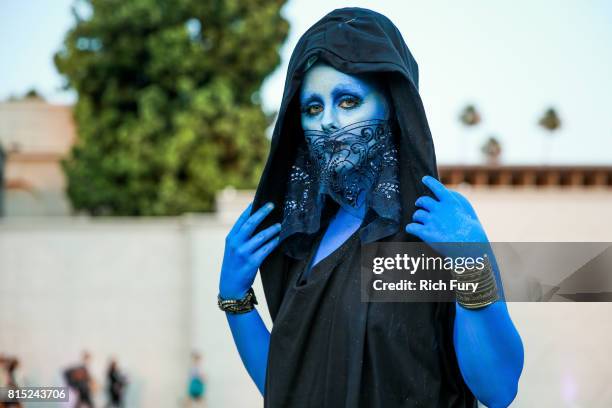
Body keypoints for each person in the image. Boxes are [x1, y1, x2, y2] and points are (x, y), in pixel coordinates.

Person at [218, 7, 524, 408]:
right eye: (312, 107)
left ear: (392, 105)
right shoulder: (302, 241)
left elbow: (498, 390)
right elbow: (287, 387)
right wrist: (235, 300)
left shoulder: (432, 226)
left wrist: (474, 266)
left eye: (348, 100)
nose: (328, 121)